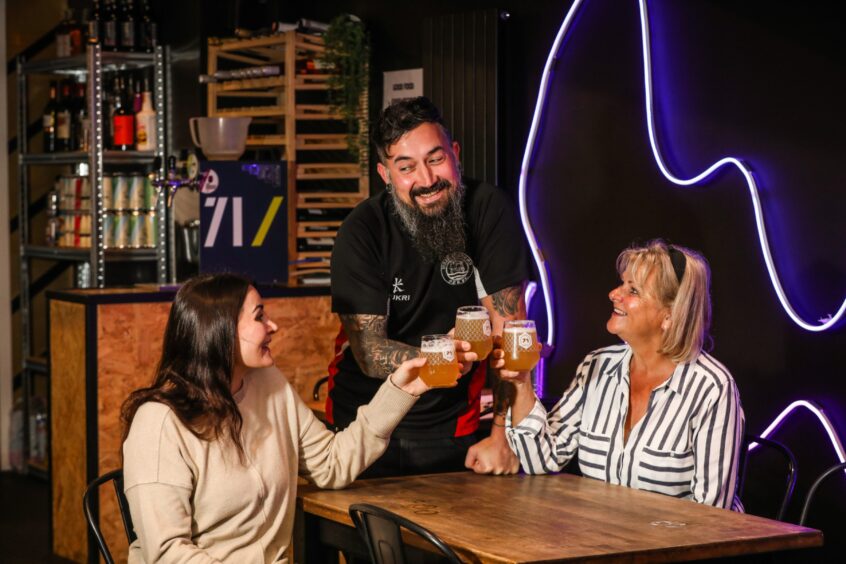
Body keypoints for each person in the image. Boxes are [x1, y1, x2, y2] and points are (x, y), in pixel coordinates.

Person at [120, 273, 431, 562]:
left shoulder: (268, 383)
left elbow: (330, 465)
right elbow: (167, 554)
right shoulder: (158, 423)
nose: (273, 326)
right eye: (259, 316)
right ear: (220, 331)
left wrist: (400, 391)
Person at [329, 96, 531, 477]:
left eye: (435, 159)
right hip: (365, 424)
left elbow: (510, 336)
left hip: (454, 426)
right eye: (406, 168)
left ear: (454, 154)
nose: (426, 180)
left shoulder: (488, 209)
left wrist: (503, 435)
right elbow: (370, 352)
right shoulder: (363, 229)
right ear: (386, 175)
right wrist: (442, 355)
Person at [501, 240, 745, 510]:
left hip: (671, 549)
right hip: (600, 543)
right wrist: (522, 383)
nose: (614, 294)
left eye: (633, 290)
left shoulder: (711, 388)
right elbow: (539, 460)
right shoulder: (597, 366)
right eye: (621, 284)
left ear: (669, 316)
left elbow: (713, 517)